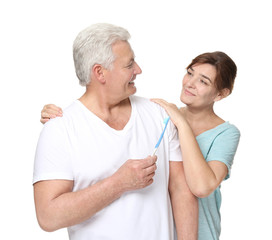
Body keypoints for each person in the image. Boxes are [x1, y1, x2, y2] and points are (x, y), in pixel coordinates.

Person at [33, 23, 198, 240]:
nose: (138, 70)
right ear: (99, 72)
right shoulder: (59, 129)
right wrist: (118, 183)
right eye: (129, 65)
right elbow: (48, 217)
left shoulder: (159, 115)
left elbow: (181, 191)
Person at [151, 51, 240, 239]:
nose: (190, 83)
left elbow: (202, 186)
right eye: (190, 73)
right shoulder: (163, 118)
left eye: (203, 81)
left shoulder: (226, 134)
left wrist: (182, 124)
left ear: (220, 94)